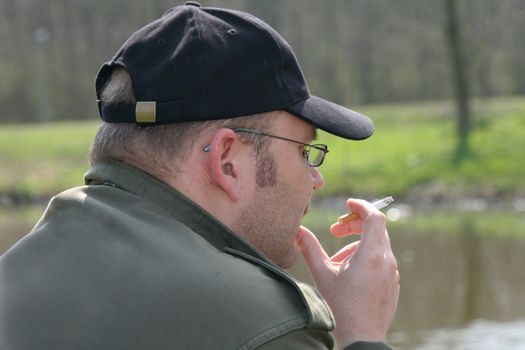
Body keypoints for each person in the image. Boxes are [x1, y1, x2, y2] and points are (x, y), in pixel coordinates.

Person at [0, 2, 399, 349]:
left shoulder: (15, 272)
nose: (316, 180)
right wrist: (359, 333)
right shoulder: (262, 325)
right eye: (304, 151)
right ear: (227, 160)